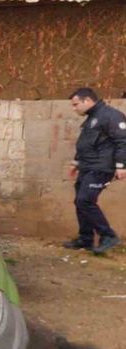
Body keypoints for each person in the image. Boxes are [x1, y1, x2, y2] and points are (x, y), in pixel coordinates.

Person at [63, 88, 126, 254]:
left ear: (87, 101)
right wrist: (76, 162)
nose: (74, 108)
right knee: (80, 201)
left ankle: (108, 236)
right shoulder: (93, 118)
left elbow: (122, 141)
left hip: (101, 167)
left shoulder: (111, 116)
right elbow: (85, 143)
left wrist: (121, 166)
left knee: (85, 201)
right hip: (87, 166)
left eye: (76, 104)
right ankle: (86, 239)